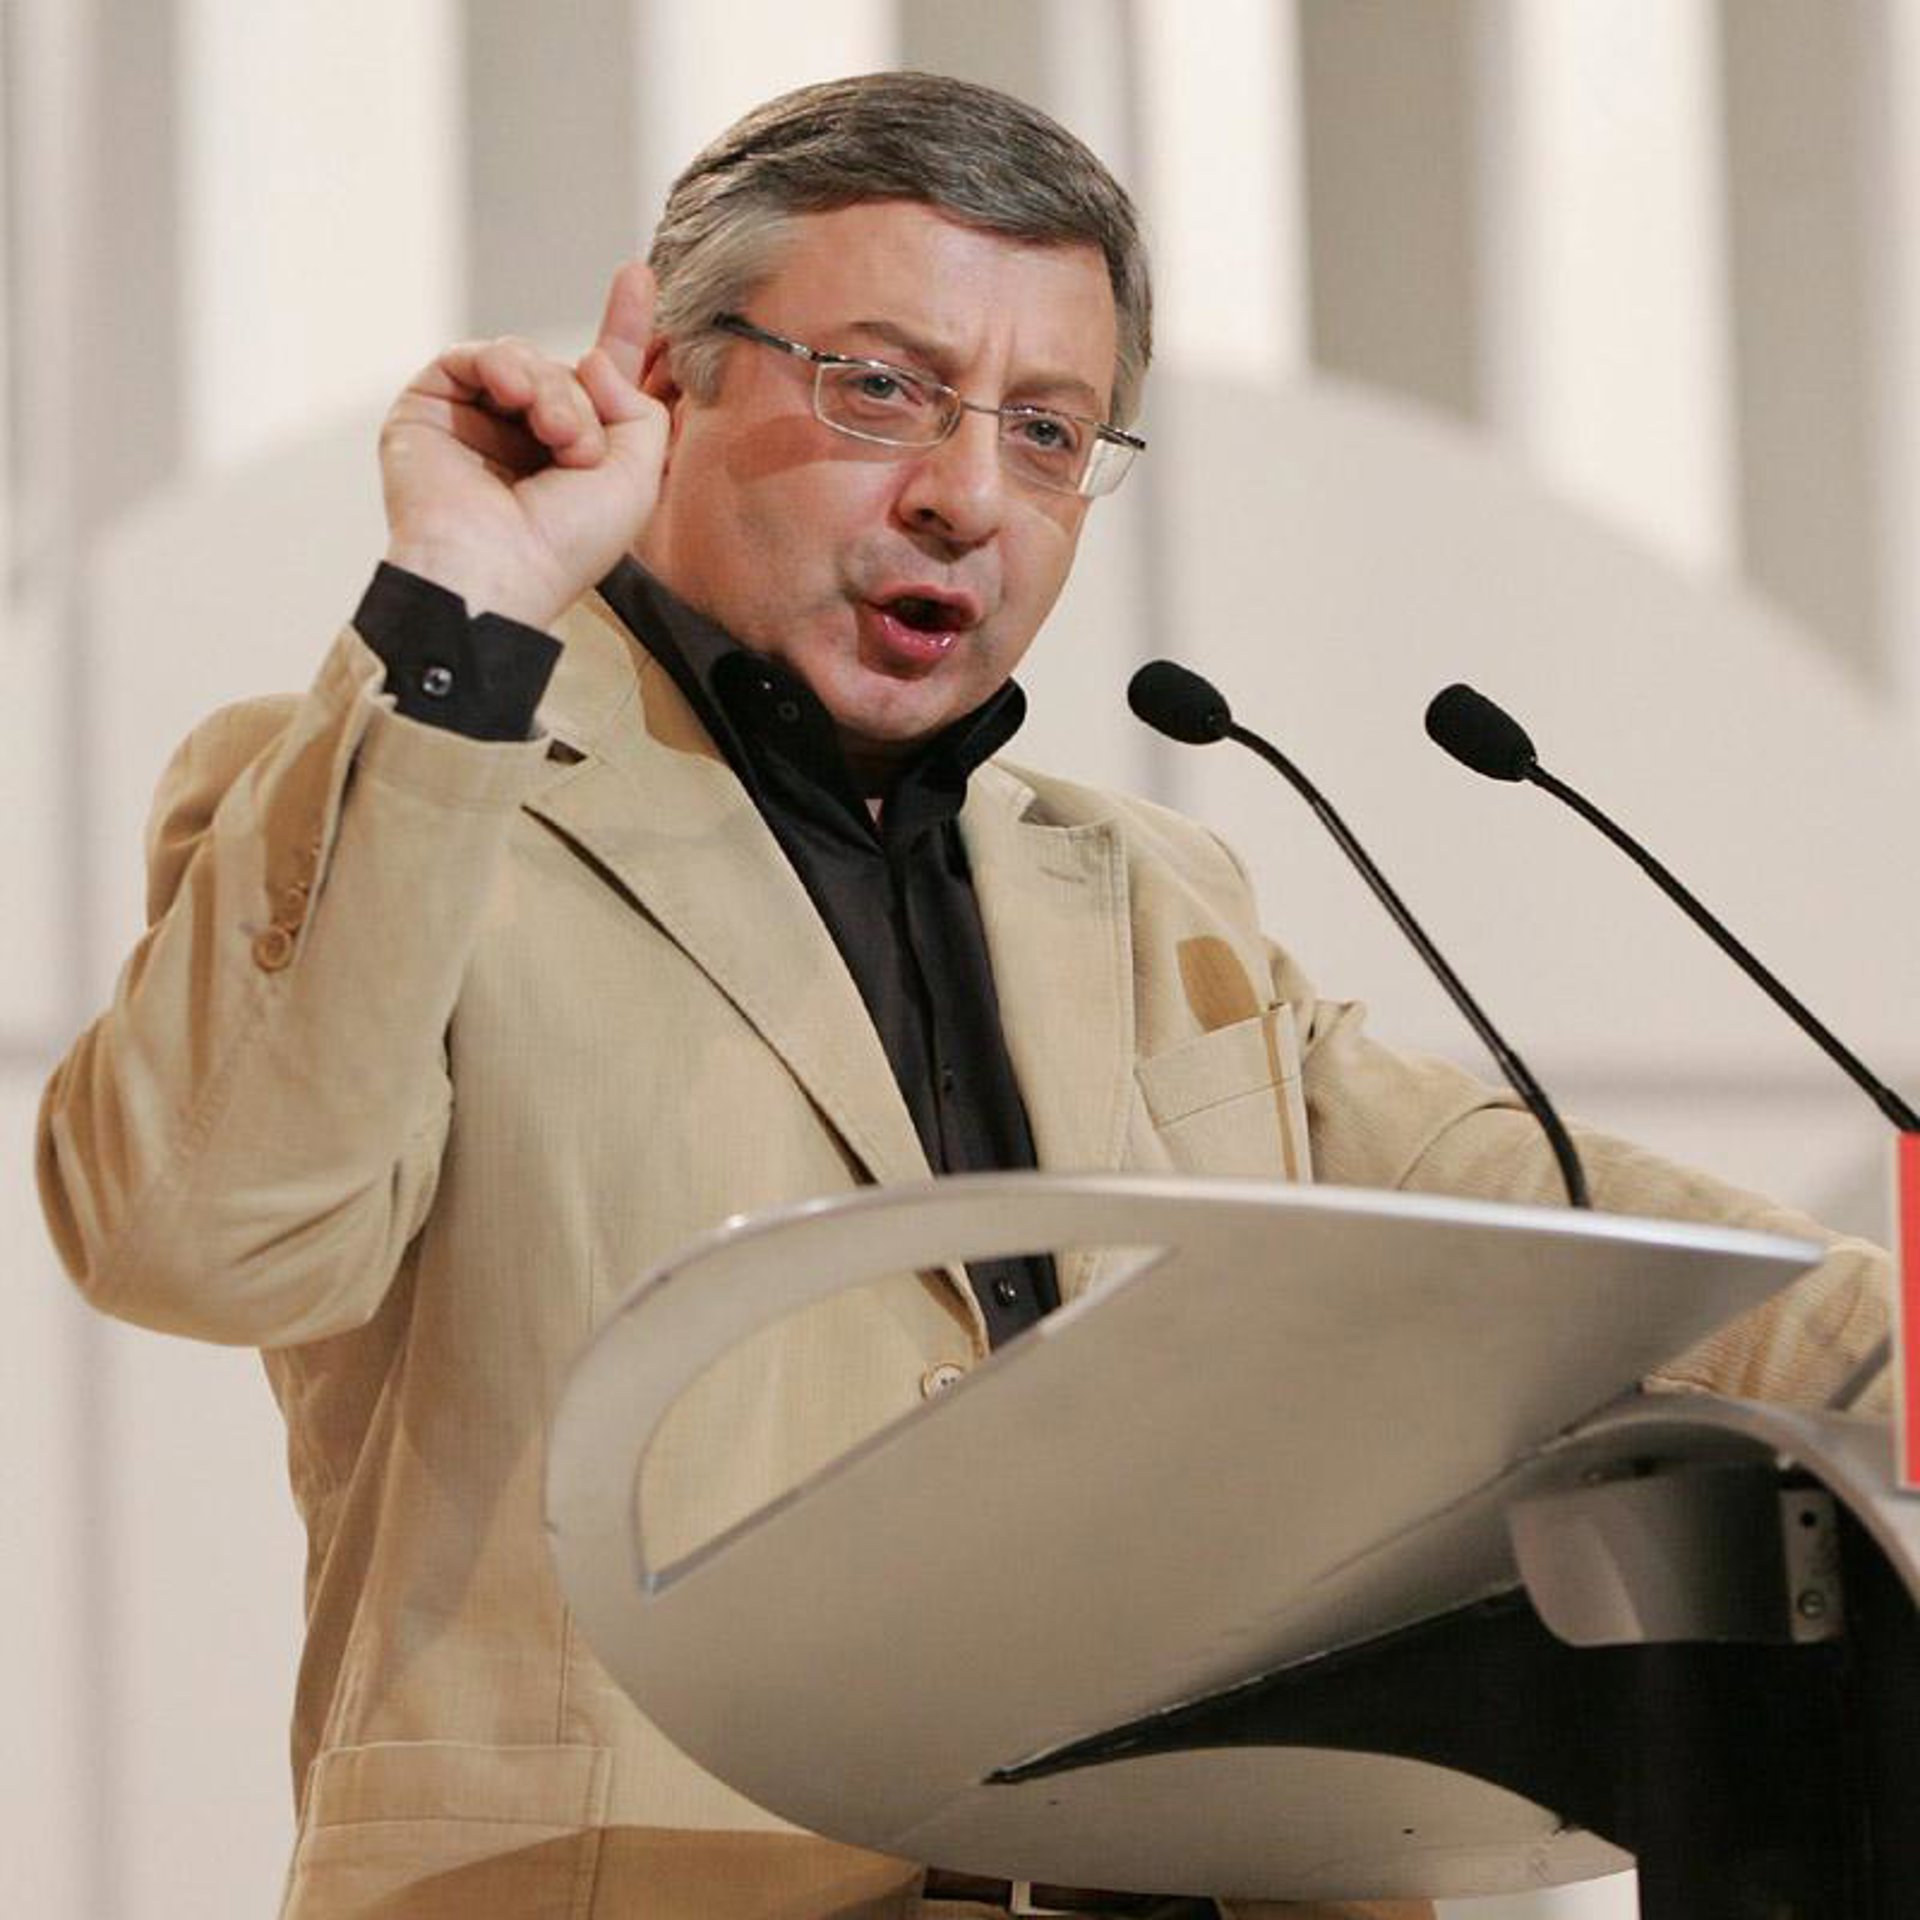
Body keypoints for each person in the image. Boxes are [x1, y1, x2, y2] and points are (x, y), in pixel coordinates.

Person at [35, 69, 1889, 1920]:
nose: (967, 497)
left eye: (1050, 432)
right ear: (667, 378)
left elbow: (1548, 1218)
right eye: (880, 389)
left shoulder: (1152, 896)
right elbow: (199, 1240)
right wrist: (466, 605)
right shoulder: (413, 791)